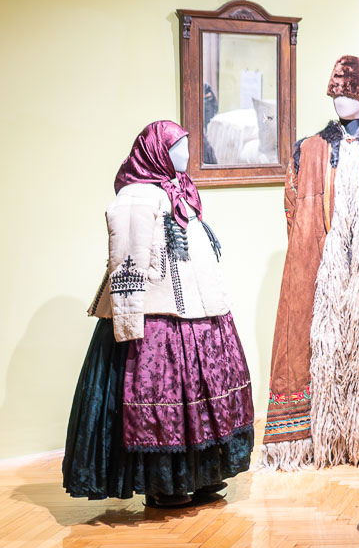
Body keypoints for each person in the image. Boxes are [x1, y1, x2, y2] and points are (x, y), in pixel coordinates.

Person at [64, 121, 255, 506]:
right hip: (154, 317)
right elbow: (126, 260)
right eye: (176, 147)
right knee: (158, 397)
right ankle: (163, 486)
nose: (186, 154)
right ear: (156, 152)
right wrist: (128, 324)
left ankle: (202, 475)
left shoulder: (178, 188)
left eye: (185, 145)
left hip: (199, 312)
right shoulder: (136, 197)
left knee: (200, 396)